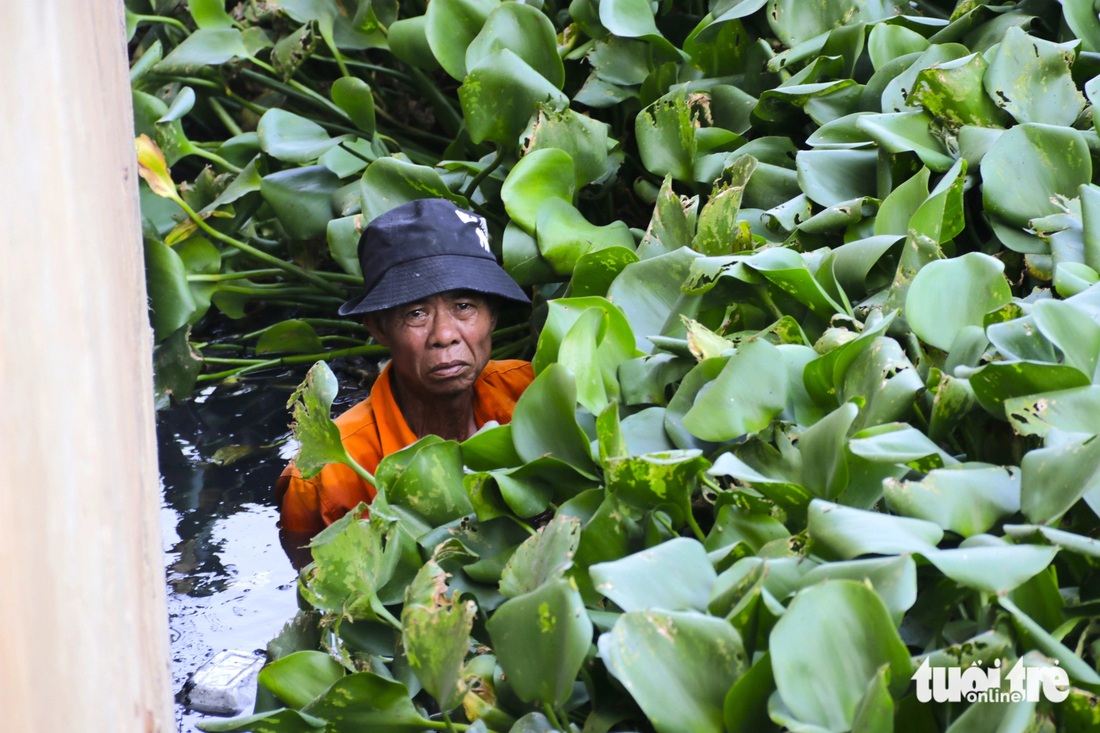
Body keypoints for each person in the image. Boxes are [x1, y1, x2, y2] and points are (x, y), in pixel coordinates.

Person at [276, 198, 533, 562]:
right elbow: (320, 596)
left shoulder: (533, 397)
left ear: (492, 315)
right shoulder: (322, 480)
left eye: (464, 306)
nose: (444, 334)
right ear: (379, 327)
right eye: (416, 313)